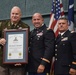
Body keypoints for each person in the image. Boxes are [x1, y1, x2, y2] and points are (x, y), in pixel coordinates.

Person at [0, 6, 29, 75]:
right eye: (13, 13)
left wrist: (22, 60)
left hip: (18, 64)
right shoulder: (2, 25)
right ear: (10, 14)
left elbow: (26, 45)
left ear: (20, 15)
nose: (14, 15)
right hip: (3, 63)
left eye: (16, 14)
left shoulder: (25, 27)